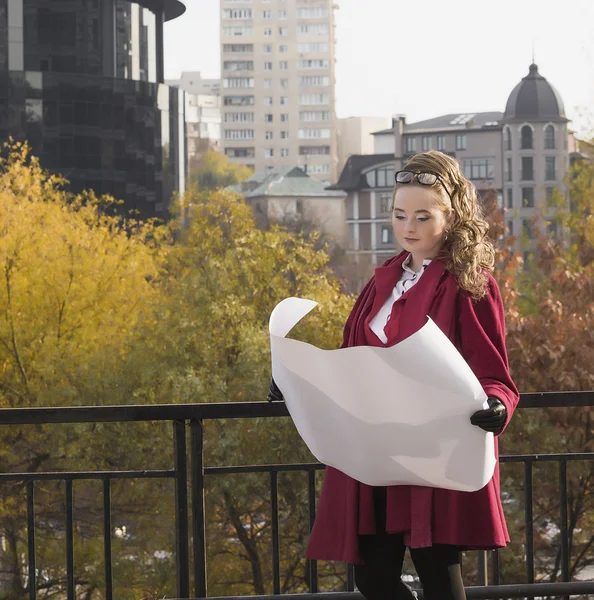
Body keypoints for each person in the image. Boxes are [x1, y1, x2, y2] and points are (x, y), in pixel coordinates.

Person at [268, 150, 519, 600]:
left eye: (423, 216)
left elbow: (493, 371)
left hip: (434, 447)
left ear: (452, 215)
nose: (409, 227)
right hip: (375, 446)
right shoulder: (382, 279)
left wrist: (497, 404)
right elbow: (350, 359)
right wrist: (296, 382)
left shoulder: (469, 281)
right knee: (374, 578)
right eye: (400, 215)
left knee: (439, 577)